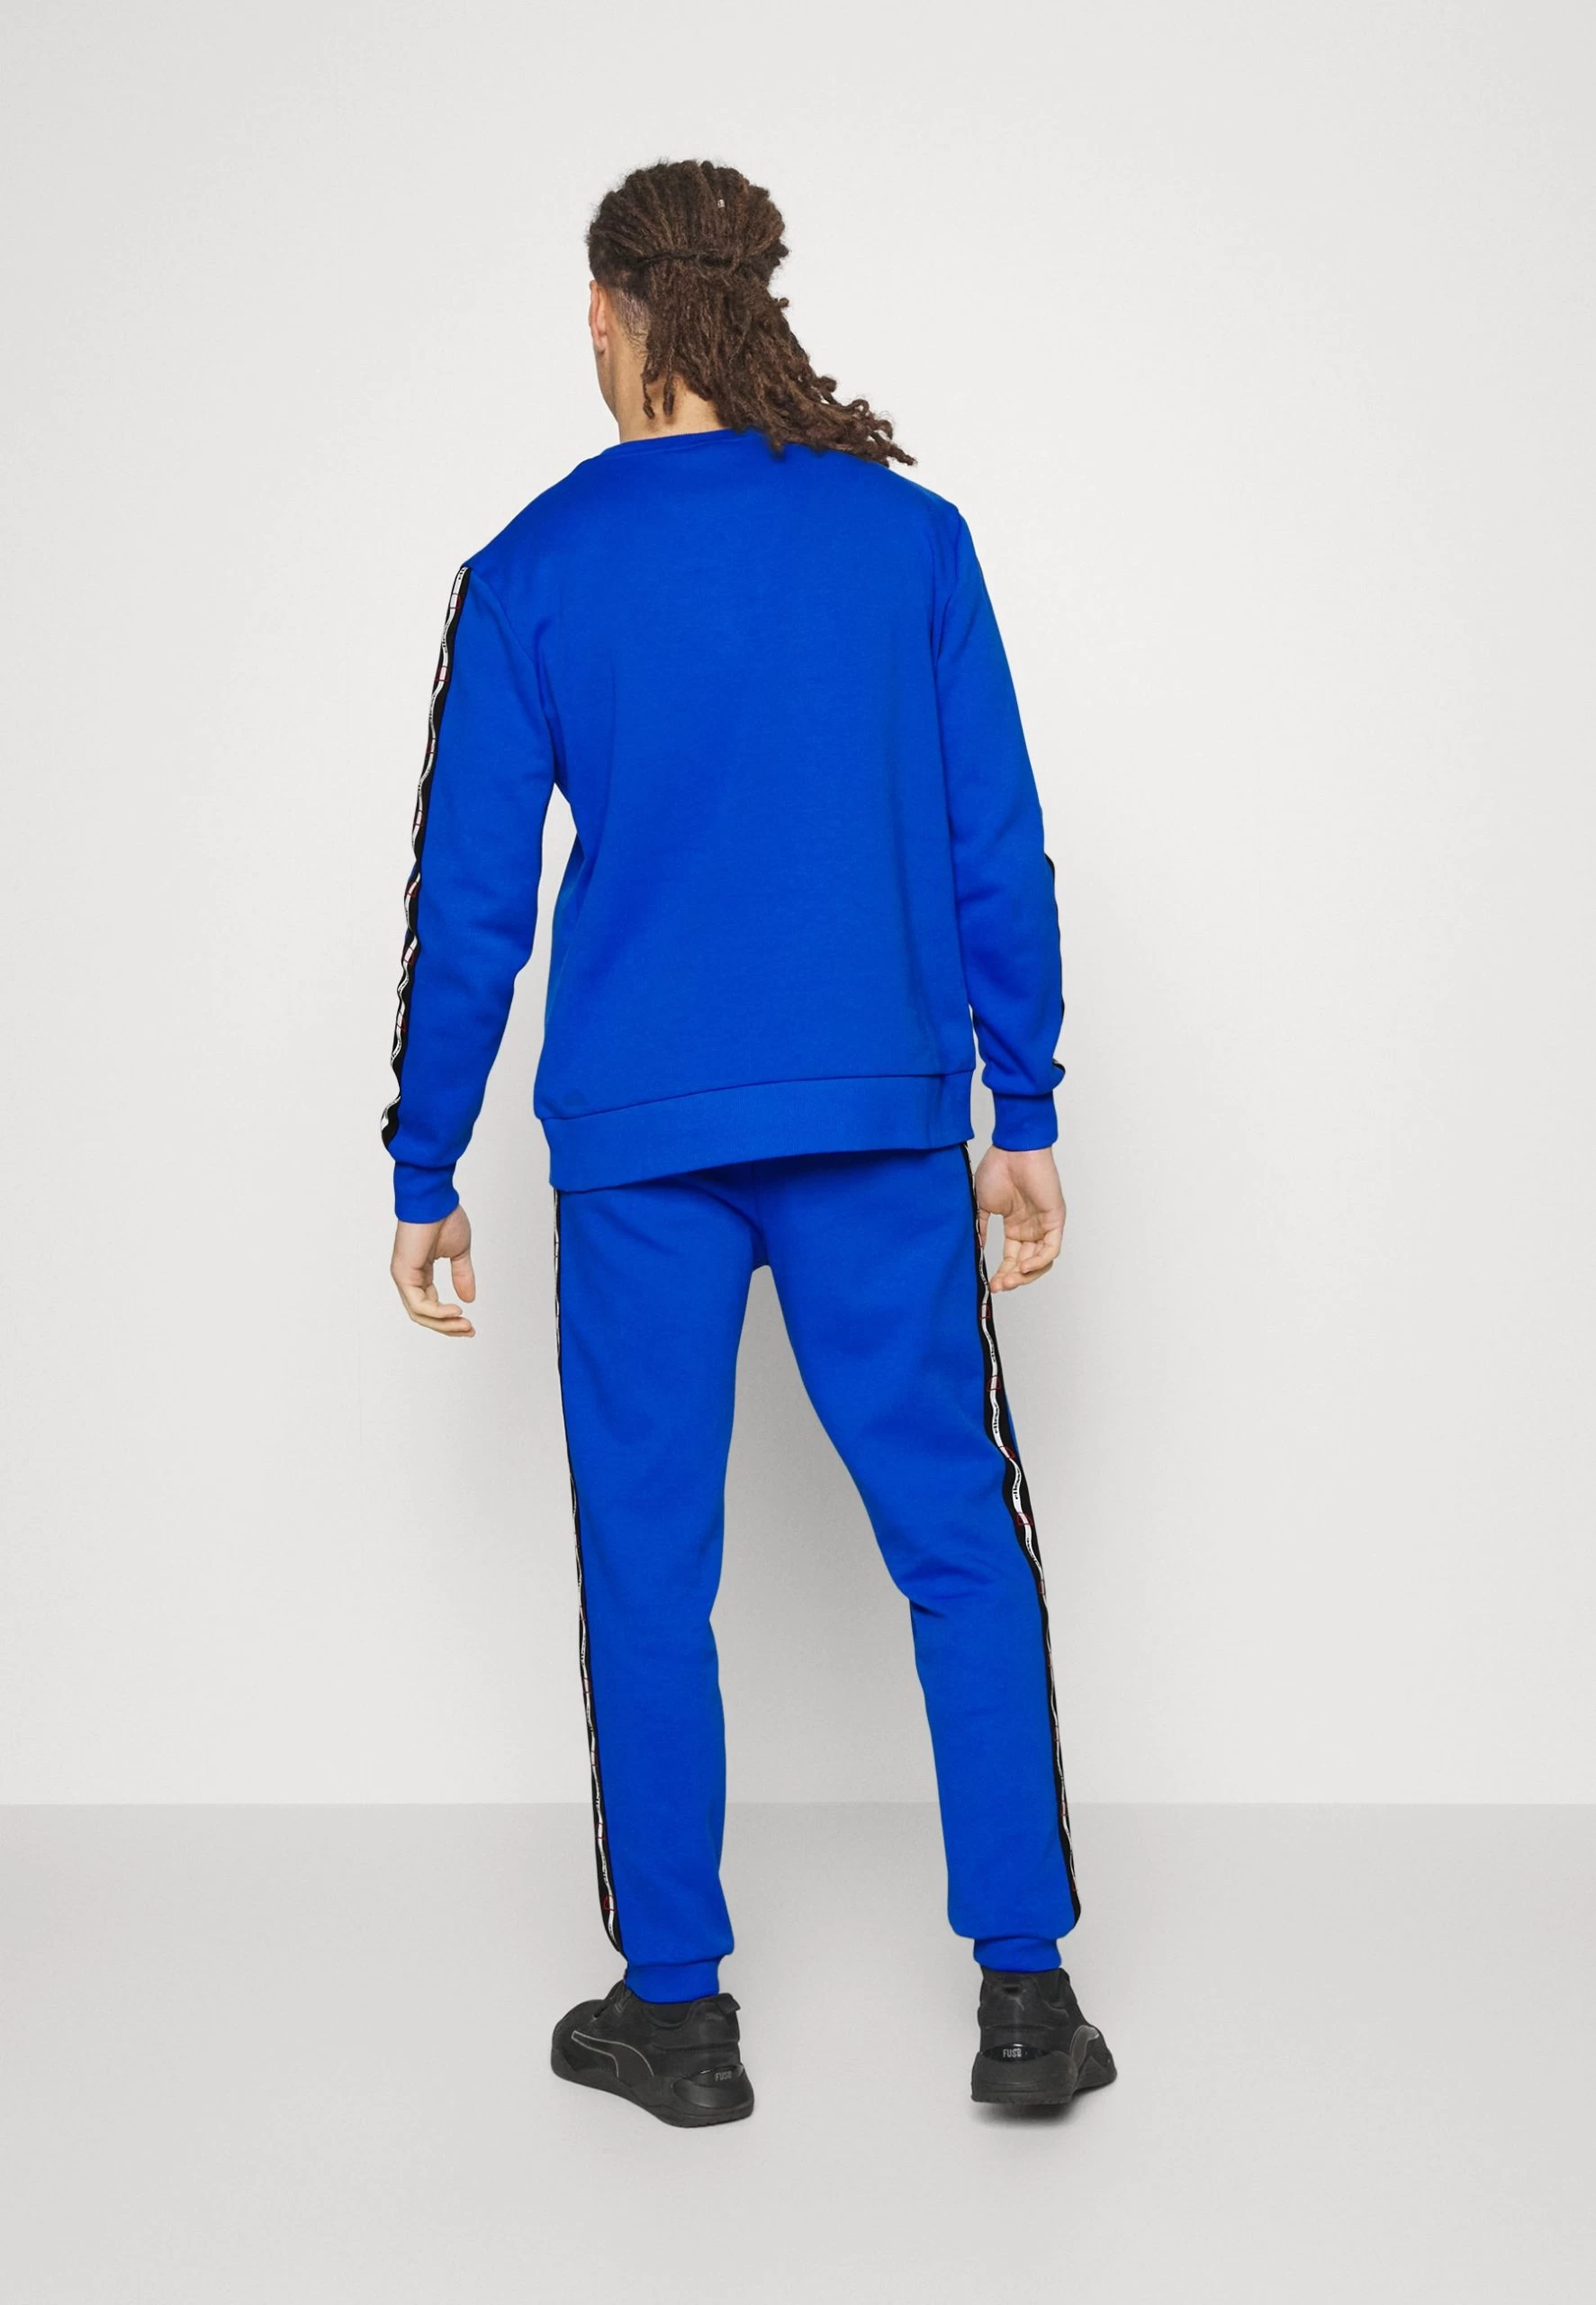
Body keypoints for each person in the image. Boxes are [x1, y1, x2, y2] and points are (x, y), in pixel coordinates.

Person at [383, 158, 1114, 2127]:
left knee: (646, 1560)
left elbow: (470, 904)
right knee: (956, 1536)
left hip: (641, 1146)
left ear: (606, 316)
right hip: (878, 1120)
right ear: (756, 300)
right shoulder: (909, 540)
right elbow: (996, 839)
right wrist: (1024, 1103)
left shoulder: (530, 566)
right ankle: (1027, 1999)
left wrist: (425, 1160)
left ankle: (680, 2016)